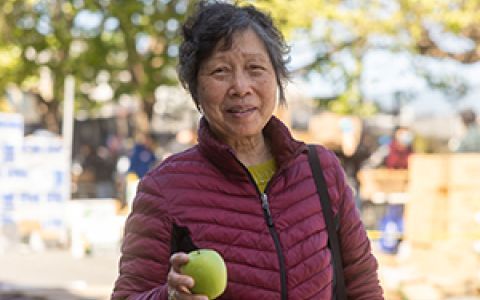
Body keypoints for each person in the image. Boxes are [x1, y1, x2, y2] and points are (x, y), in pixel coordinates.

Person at [111, 2, 383, 300]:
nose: (241, 87)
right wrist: (169, 296)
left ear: (276, 78)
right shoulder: (164, 188)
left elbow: (362, 286)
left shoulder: (321, 171)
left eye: (255, 68)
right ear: (195, 88)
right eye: (220, 71)